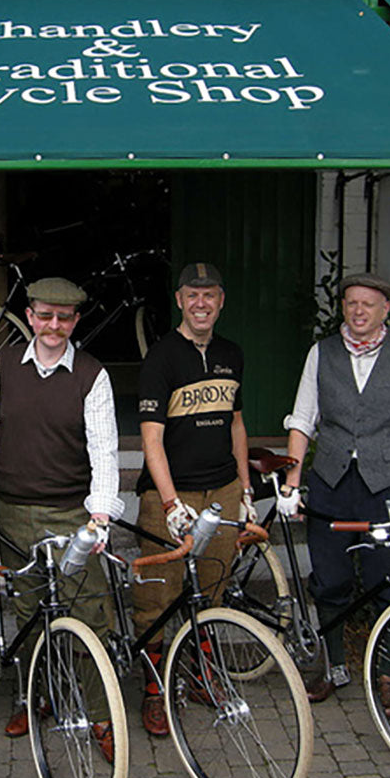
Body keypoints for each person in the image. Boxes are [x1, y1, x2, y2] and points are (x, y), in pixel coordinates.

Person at [0, 276, 123, 762]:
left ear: (75, 321)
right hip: (12, 512)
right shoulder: (1, 365)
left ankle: (100, 715)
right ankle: (35, 697)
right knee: (29, 614)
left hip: (72, 513)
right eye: (45, 315)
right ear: (30, 316)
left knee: (90, 614)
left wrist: (100, 514)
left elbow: (105, 450)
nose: (54, 325)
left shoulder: (93, 376)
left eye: (64, 317)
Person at [279, 272, 390, 716]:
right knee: (330, 580)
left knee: (386, 581)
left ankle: (387, 674)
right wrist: (292, 484)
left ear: (385, 310)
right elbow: (302, 419)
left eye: (367, 305)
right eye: (351, 303)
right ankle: (334, 666)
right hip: (331, 482)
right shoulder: (322, 353)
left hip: (387, 484)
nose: (358, 312)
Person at [132, 262, 254, 737]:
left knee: (212, 589)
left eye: (210, 295)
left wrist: (244, 490)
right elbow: (151, 439)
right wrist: (168, 503)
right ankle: (154, 689)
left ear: (221, 301)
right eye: (192, 295)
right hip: (173, 494)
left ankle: (200, 674)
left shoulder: (232, 354)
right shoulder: (161, 357)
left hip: (221, 492)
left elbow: (237, 425)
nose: (201, 303)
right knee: (156, 598)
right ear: (179, 301)